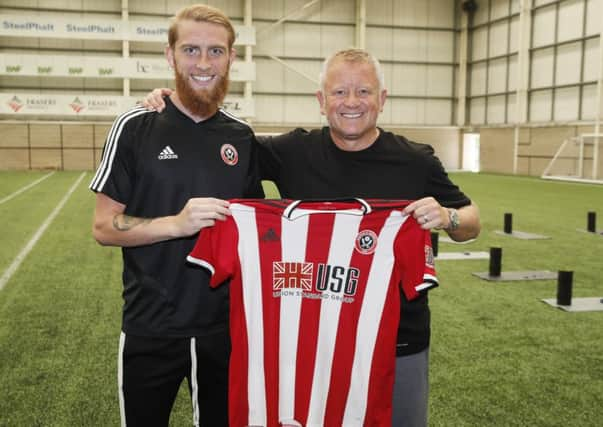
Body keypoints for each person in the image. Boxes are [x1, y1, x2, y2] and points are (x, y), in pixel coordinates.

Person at [143, 48, 480, 426]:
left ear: (382, 100)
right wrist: (183, 104)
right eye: (339, 92)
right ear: (321, 102)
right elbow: (223, 141)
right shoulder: (292, 151)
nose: (351, 102)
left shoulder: (416, 160)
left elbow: (471, 221)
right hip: (307, 340)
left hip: (397, 341)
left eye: (364, 92)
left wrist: (448, 216)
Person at [90, 4, 264, 427]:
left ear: (231, 59)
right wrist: (176, 224)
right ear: (170, 56)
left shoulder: (240, 136)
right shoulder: (135, 126)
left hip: (222, 328)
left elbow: (256, 224)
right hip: (151, 325)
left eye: (215, 52)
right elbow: (103, 226)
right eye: (190, 50)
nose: (203, 63)